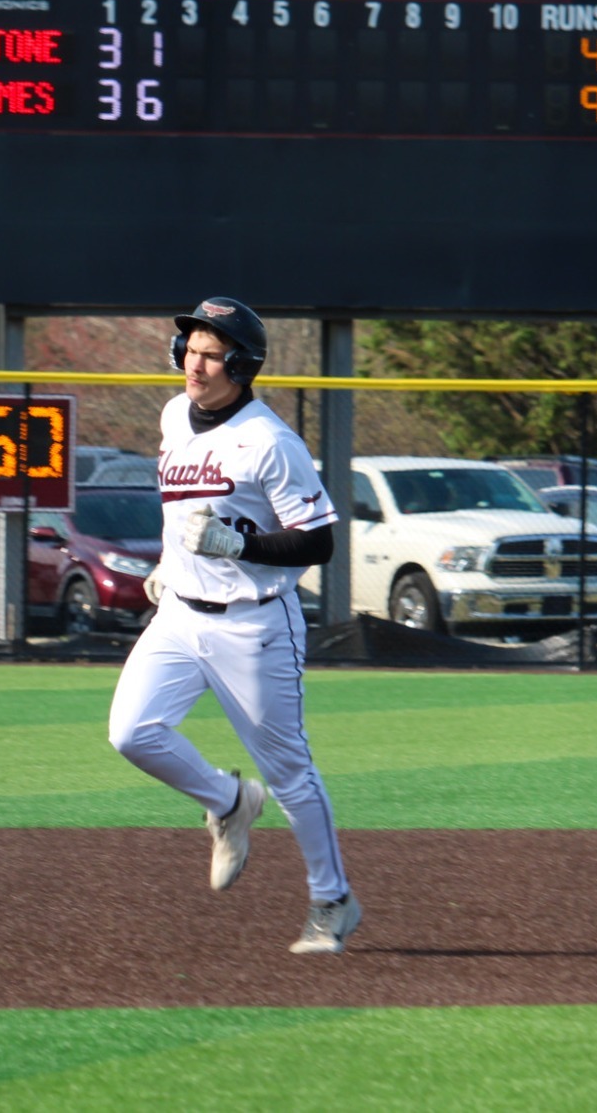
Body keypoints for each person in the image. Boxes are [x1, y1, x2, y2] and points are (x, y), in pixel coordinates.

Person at [107, 296, 359, 954]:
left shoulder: (270, 440)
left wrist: (237, 546)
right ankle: (225, 801)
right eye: (189, 346)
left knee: (289, 772)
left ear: (240, 364)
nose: (194, 360)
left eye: (210, 351)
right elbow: (180, 512)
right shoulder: (173, 415)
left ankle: (332, 899)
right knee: (131, 732)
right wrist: (169, 563)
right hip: (180, 615)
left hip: (255, 625)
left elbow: (319, 544)